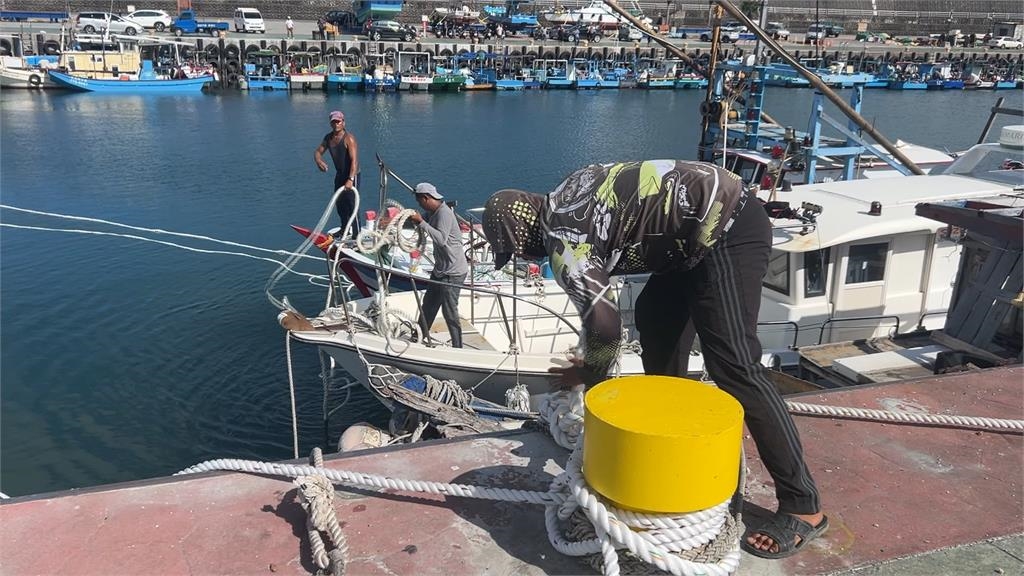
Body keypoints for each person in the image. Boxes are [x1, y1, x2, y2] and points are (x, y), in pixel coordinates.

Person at [480, 160, 826, 560]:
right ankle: (676, 451)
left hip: (729, 226)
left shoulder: (563, 242)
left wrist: (588, 373)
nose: (523, 255)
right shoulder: (562, 195)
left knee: (735, 365)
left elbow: (606, 326)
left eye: (515, 250)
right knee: (657, 325)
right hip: (689, 240)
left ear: (521, 236)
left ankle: (803, 504)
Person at [407, 183, 469, 347]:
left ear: (426, 198)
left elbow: (441, 239)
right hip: (440, 270)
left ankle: (458, 347)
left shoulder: (444, 214)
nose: (419, 205)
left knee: (449, 311)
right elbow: (420, 222)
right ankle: (418, 336)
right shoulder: (432, 212)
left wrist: (421, 222)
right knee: (429, 304)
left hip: (453, 272)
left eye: (419, 201)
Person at [313, 111, 360, 239]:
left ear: (343, 122)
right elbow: (317, 152)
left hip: (352, 174)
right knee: (339, 204)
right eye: (333, 122)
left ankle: (357, 236)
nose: (336, 124)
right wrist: (319, 161)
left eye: (338, 121)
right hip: (340, 175)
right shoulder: (328, 138)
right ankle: (344, 229)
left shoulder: (349, 138)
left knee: (352, 205)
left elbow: (354, 161)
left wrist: (350, 179)